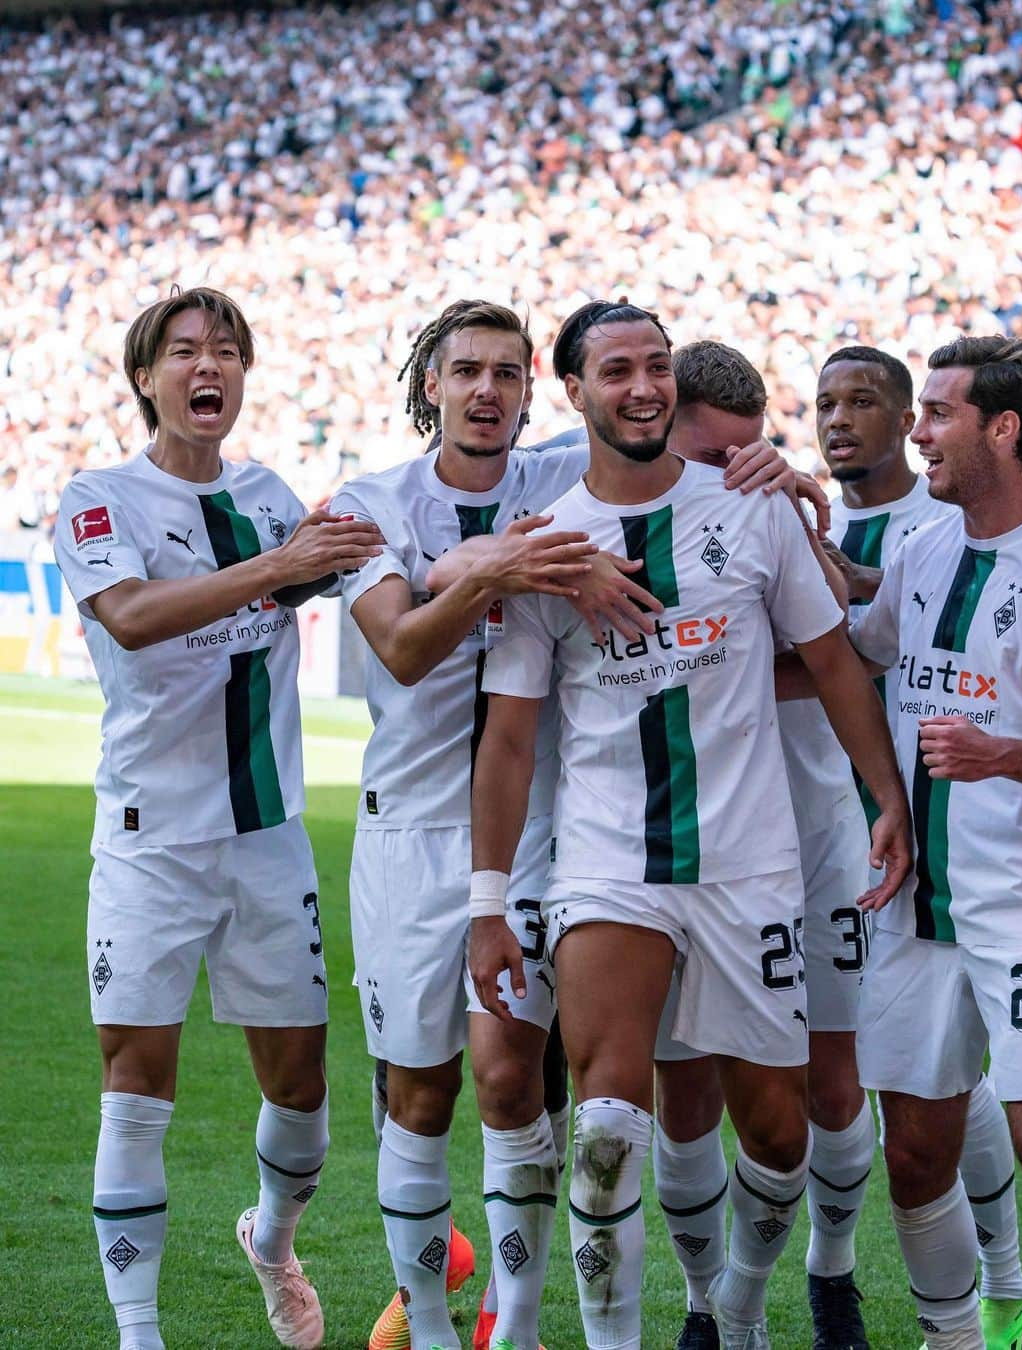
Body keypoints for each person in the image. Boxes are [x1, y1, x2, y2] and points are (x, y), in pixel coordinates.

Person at [337, 299, 800, 1350]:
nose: (488, 391)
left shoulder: (561, 473)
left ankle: (517, 1324)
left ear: (535, 390)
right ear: (432, 387)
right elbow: (404, 646)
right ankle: (432, 1319)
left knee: (515, 1078)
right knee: (419, 1090)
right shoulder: (370, 503)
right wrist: (511, 565)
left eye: (507, 372)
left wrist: (778, 470)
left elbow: (685, 456)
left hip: (555, 831)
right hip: (412, 829)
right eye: (467, 373)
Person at [468, 300, 913, 1350]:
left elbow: (838, 664)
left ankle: (741, 1308)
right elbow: (510, 741)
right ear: (570, 391)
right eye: (616, 370)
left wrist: (886, 795)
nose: (643, 386)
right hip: (609, 865)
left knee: (775, 1129)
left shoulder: (750, 510)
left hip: (750, 867)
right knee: (609, 1126)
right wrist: (491, 903)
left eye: (657, 366)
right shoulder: (544, 547)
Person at [52, 287, 383, 1350]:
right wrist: (279, 567)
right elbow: (136, 618)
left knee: (301, 1090)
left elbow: (342, 575)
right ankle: (137, 1332)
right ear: (145, 377)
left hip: (266, 834)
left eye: (228, 351)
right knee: (134, 1087)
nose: (211, 367)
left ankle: (272, 1240)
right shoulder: (98, 498)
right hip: (150, 841)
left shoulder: (271, 495)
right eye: (186, 351)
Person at [839, 336, 1022, 1349]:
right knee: (915, 1151)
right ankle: (957, 1339)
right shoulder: (923, 548)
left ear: (1003, 429)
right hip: (913, 902)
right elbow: (868, 642)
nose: (917, 431)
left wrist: (1002, 756)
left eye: (936, 413)